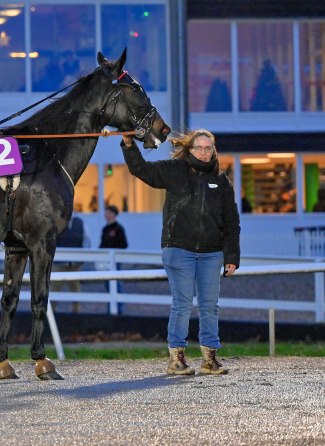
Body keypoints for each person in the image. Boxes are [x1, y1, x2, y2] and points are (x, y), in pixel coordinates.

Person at [122, 129, 240, 376]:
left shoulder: (221, 181)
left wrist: (231, 257)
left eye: (209, 148)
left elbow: (231, 222)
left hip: (211, 253)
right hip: (178, 249)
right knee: (183, 304)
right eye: (199, 148)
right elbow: (142, 170)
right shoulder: (175, 170)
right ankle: (177, 359)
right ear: (190, 149)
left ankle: (210, 360)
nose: (204, 153)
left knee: (210, 306)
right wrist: (129, 145)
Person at [54, 209, 89, 312]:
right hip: (59, 263)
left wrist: (83, 255)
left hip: (75, 264)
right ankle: (51, 312)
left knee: (75, 288)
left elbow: (86, 239)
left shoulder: (79, 223)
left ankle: (76, 311)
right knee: (55, 287)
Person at [99, 205, 127, 313]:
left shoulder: (119, 229)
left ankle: (119, 309)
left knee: (117, 283)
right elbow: (102, 245)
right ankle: (110, 308)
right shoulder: (105, 229)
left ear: (113, 214)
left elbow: (124, 244)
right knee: (107, 284)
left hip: (115, 261)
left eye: (108, 213)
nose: (106, 215)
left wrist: (114, 251)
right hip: (106, 260)